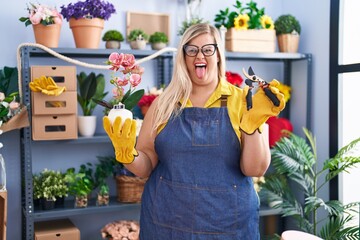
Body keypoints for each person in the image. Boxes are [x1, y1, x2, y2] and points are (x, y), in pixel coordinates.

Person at [103, 23, 285, 240]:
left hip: (228, 225)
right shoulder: (164, 104)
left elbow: (255, 168)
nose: (200, 55)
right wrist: (127, 154)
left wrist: (253, 123)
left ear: (218, 54)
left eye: (208, 49)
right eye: (192, 49)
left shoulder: (244, 101)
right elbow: (146, 165)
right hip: (167, 223)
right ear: (184, 56)